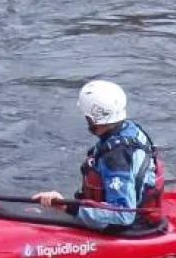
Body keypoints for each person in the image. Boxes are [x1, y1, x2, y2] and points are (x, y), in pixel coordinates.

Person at [32, 79, 163, 232]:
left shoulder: (116, 157)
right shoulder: (129, 128)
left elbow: (124, 215)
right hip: (136, 207)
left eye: (87, 117)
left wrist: (68, 207)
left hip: (129, 226)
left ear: (94, 119)